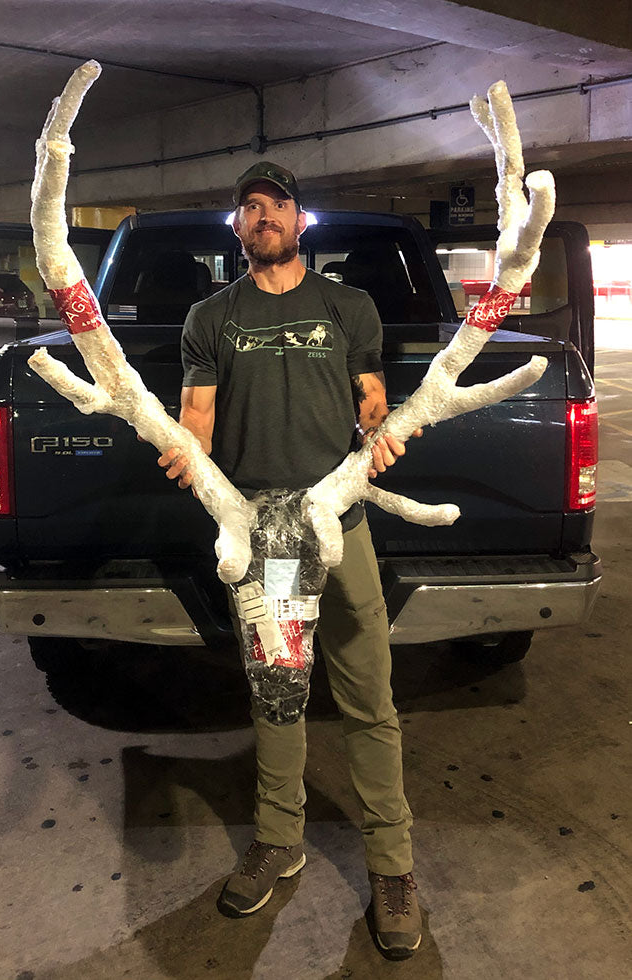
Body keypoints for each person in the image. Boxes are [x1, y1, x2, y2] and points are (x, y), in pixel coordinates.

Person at [159, 161, 422, 960]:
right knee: (279, 695)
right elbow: (196, 417)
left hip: (337, 519)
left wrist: (380, 434)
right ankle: (279, 839)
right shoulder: (212, 316)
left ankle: (394, 866)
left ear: (300, 221)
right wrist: (187, 458)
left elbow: (370, 399)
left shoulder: (349, 307)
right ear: (237, 229)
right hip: (269, 538)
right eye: (247, 207)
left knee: (368, 691)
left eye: (275, 204)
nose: (260, 215)